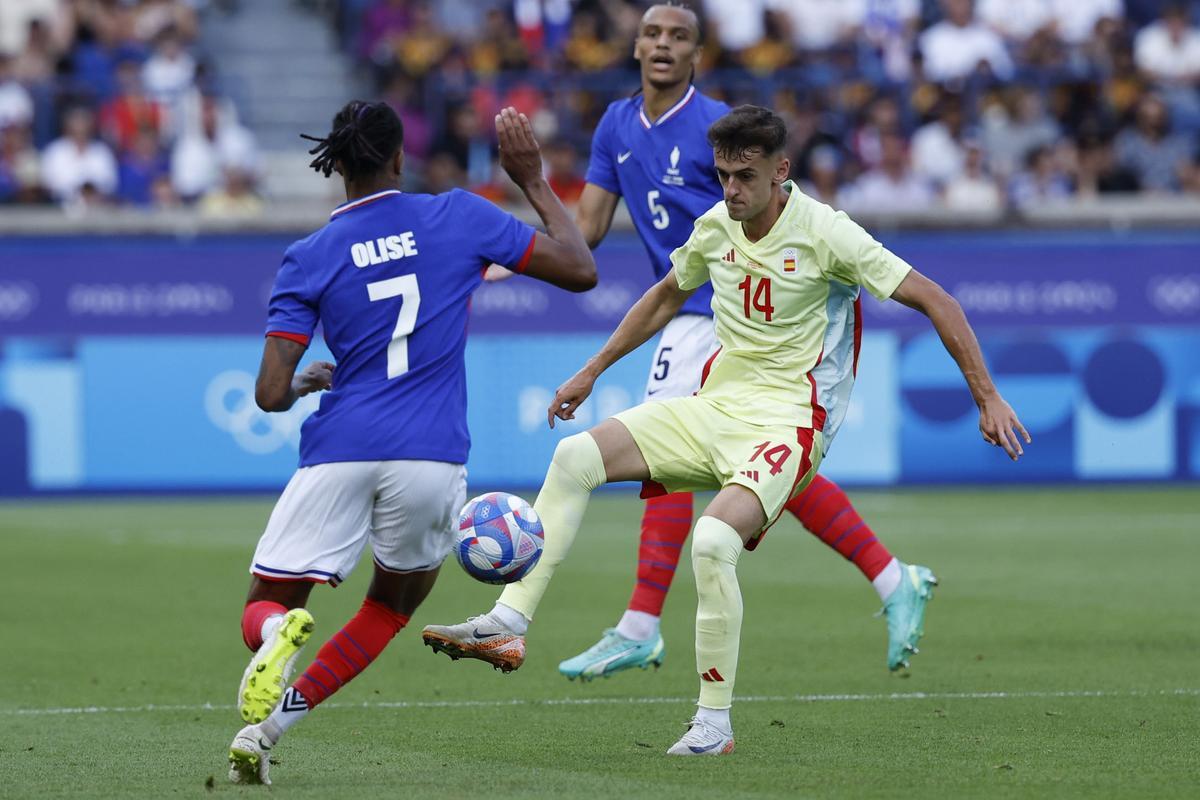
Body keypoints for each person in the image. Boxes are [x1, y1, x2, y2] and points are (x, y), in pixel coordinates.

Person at [422, 104, 1029, 756]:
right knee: (575, 456)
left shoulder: (829, 234)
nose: (731, 190)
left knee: (711, 540)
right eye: (722, 176)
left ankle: (713, 724)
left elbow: (938, 299)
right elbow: (663, 295)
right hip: (714, 408)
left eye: (744, 176)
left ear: (780, 171)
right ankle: (509, 622)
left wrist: (986, 396)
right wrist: (591, 370)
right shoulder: (715, 225)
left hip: (792, 424)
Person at [506, 3, 936, 684]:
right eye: (652, 33)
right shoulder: (616, 124)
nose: (663, 45)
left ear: (698, 54)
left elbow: (781, 210)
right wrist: (521, 247)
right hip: (679, 303)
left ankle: (640, 625)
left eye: (679, 36)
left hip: (724, 312)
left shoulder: (720, 130)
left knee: (676, 453)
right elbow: (585, 228)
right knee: (755, 468)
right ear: (636, 45)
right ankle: (890, 577)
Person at [225, 101, 595, 785]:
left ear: (335, 165)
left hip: (340, 447)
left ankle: (277, 637)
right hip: (431, 455)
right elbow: (579, 268)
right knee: (388, 608)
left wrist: (307, 383)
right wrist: (531, 179)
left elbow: (270, 394)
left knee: (267, 596)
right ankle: (267, 731)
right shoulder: (456, 216)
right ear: (400, 158)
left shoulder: (309, 257)